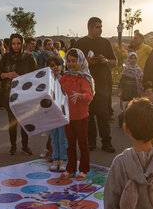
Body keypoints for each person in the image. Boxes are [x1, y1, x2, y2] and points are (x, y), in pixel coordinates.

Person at [75, 17, 117, 153]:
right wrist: (86, 62)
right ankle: (91, 141)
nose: (100, 29)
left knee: (103, 114)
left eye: (101, 27)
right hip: (85, 83)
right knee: (89, 114)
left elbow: (114, 62)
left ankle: (107, 142)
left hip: (102, 83)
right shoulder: (80, 43)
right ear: (90, 28)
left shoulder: (105, 43)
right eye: (98, 27)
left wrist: (104, 61)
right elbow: (71, 63)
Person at [0, 33, 37, 155]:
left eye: (18, 43)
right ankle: (13, 146)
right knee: (12, 123)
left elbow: (35, 76)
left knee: (24, 122)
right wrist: (7, 75)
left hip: (24, 94)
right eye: (13, 43)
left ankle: (25, 145)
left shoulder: (29, 57)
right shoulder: (6, 57)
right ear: (10, 44)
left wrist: (20, 78)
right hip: (10, 94)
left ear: (22, 44)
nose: (16, 46)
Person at [59, 49, 94, 180]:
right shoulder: (65, 76)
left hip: (81, 117)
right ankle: (71, 168)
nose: (71, 64)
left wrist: (81, 95)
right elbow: (56, 88)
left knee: (83, 144)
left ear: (80, 61)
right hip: (68, 117)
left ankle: (84, 169)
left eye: (74, 61)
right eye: (68, 61)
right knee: (70, 144)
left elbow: (89, 96)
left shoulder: (83, 78)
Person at [46, 56, 68, 172]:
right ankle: (55, 159)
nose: (55, 67)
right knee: (54, 137)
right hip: (51, 115)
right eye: (52, 65)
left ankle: (63, 159)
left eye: (58, 65)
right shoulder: (46, 81)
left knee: (62, 137)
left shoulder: (64, 79)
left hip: (62, 114)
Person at [117, 52, 143, 127]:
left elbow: (141, 78)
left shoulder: (138, 69)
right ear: (128, 59)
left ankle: (126, 118)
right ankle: (122, 116)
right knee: (129, 105)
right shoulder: (126, 68)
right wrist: (120, 90)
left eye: (134, 58)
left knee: (134, 105)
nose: (133, 60)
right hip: (128, 89)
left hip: (136, 89)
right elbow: (122, 80)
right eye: (131, 58)